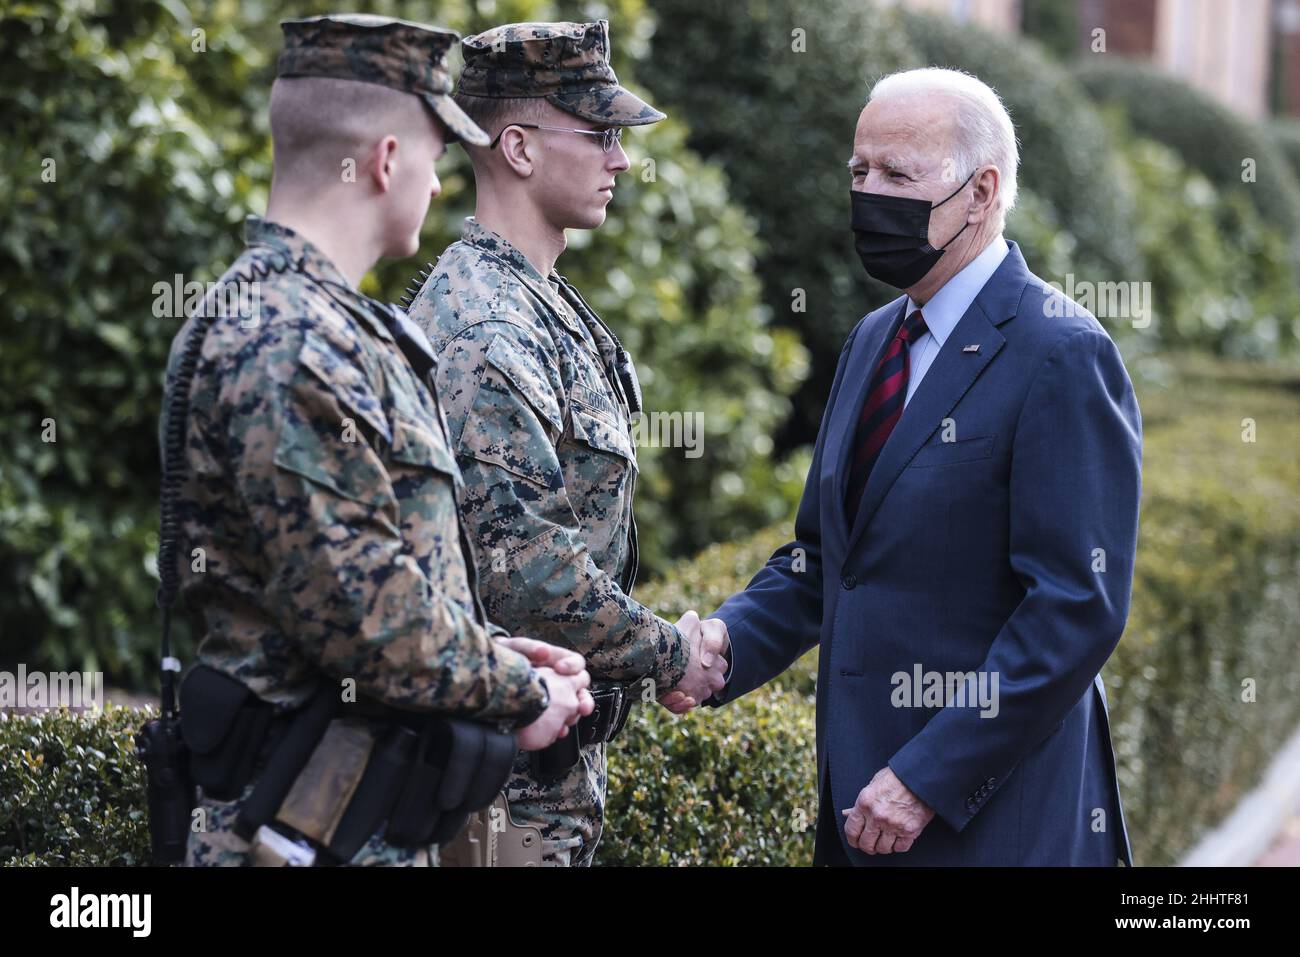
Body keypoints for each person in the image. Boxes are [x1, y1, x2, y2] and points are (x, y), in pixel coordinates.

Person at [672, 67, 1141, 866]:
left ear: (982, 192)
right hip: (858, 813)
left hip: (992, 825)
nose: (868, 194)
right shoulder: (872, 340)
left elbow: (1073, 608)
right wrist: (722, 642)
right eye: (859, 172)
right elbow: (828, 560)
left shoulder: (1062, 351)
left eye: (898, 174)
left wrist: (927, 777)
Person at [167, 13, 591, 868]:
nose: (439, 187)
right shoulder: (292, 340)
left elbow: (350, 577)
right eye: (436, 159)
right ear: (388, 160)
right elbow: (365, 620)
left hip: (340, 818)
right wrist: (521, 688)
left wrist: (488, 647)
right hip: (296, 825)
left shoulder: (314, 322)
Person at [403, 19, 727, 867]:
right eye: (603, 134)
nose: (620, 159)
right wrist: (673, 653)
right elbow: (526, 572)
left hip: (546, 776)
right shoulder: (485, 323)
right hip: (500, 785)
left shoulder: (536, 298)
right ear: (517, 147)